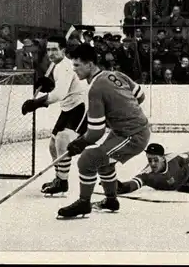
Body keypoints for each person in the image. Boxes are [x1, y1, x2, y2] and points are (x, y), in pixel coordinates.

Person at [57, 44, 150, 218]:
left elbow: (96, 132)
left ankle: (84, 203)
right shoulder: (115, 74)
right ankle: (110, 200)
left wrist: (79, 143)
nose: (74, 70)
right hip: (128, 130)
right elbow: (140, 96)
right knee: (103, 161)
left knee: (87, 160)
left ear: (90, 64)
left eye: (77, 65)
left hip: (132, 135)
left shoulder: (95, 88)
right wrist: (122, 111)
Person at [21, 36, 88, 196]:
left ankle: (63, 182)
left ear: (63, 51)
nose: (50, 53)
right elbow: (59, 88)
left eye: (54, 49)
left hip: (80, 107)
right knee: (53, 146)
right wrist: (47, 84)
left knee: (63, 140)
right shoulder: (57, 65)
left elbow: (59, 94)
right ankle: (59, 178)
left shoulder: (66, 66)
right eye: (48, 49)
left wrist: (36, 103)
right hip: (67, 108)